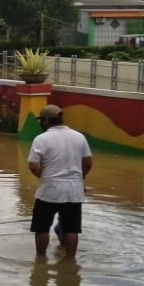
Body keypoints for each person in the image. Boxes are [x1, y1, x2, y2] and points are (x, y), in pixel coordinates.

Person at [27, 104, 93, 258]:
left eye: (41, 120)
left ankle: (40, 259)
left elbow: (33, 165)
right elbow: (88, 162)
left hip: (49, 191)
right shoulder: (79, 137)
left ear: (46, 121)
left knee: (41, 228)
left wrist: (45, 177)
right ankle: (70, 260)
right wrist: (80, 178)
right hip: (74, 192)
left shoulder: (41, 139)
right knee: (72, 229)